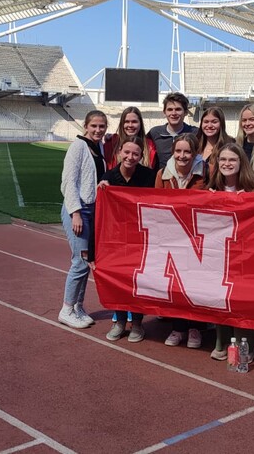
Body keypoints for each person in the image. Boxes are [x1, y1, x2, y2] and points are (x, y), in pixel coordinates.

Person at [206, 142, 254, 363]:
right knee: (219, 297)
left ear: (241, 163)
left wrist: (248, 201)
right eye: (223, 160)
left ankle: (246, 343)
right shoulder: (212, 187)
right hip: (218, 253)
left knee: (242, 299)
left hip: (245, 255)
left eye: (232, 160)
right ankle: (221, 340)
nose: (227, 164)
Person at [98, 136, 157, 342]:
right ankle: (120, 321)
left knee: (138, 280)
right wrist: (103, 189)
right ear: (119, 153)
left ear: (141, 156)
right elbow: (102, 211)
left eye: (135, 154)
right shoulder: (109, 177)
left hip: (141, 236)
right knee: (118, 280)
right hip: (116, 238)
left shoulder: (149, 176)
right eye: (127, 153)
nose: (130, 157)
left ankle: (138, 323)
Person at [155, 133, 208, 349]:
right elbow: (156, 204)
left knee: (196, 284)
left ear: (195, 153)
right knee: (175, 283)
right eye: (178, 151)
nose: (182, 156)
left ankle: (195, 327)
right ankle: (178, 327)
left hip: (199, 237)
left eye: (187, 151)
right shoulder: (162, 174)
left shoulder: (206, 171)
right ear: (173, 152)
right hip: (173, 237)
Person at [58, 110, 108, 329]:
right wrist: (75, 212)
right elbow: (69, 181)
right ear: (86, 126)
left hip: (92, 210)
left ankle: (78, 306)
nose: (98, 130)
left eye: (102, 126)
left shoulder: (100, 148)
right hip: (78, 210)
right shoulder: (78, 146)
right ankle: (66, 308)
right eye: (94, 126)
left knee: (87, 262)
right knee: (79, 261)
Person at [148, 92, 198, 170]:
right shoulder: (154, 133)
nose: (173, 113)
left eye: (178, 109)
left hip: (188, 180)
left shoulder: (195, 133)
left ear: (185, 112)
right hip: (161, 180)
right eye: (170, 109)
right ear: (164, 112)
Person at [195, 106, 233, 174]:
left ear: (221, 124)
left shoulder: (229, 146)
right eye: (206, 122)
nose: (209, 125)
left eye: (214, 122)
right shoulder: (195, 144)